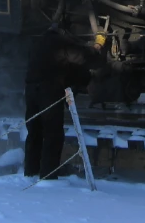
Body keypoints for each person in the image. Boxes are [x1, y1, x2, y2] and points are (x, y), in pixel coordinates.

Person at [23, 27, 105, 180]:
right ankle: (49, 175)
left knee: (34, 132)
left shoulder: (37, 42)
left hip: (31, 90)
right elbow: (82, 56)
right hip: (48, 91)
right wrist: (97, 46)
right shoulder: (59, 42)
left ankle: (30, 172)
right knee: (52, 133)